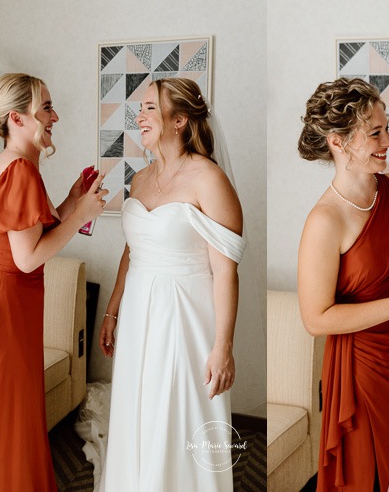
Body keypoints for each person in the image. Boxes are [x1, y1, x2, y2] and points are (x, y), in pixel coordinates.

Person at [0, 72, 106, 492]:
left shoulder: (15, 163)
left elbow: (31, 234)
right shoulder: (21, 171)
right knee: (3, 428)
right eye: (46, 107)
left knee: (0, 425)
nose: (55, 116)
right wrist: (81, 216)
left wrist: (71, 202)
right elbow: (27, 258)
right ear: (18, 118)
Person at [98, 80, 245, 492]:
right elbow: (133, 251)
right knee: (138, 408)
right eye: (139, 109)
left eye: (149, 108)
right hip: (139, 314)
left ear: (179, 120)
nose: (139, 117)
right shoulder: (140, 178)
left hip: (185, 316)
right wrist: (112, 310)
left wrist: (223, 347)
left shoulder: (208, 179)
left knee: (179, 411)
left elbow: (226, 271)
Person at [297, 78, 389, 492]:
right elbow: (315, 318)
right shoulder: (325, 221)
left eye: (386, 128)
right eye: (375, 133)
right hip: (362, 371)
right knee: (372, 478)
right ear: (338, 141)